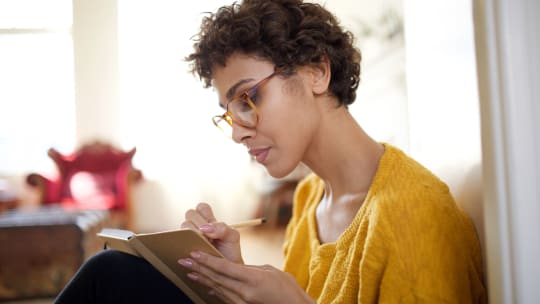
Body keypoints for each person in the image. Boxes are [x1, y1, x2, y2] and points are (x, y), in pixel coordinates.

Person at [55, 0, 487, 303]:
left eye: (249, 98)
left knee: (107, 278)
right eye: (229, 113)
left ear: (317, 71)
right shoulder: (311, 197)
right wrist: (235, 278)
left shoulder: (413, 215)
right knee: (115, 273)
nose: (238, 132)